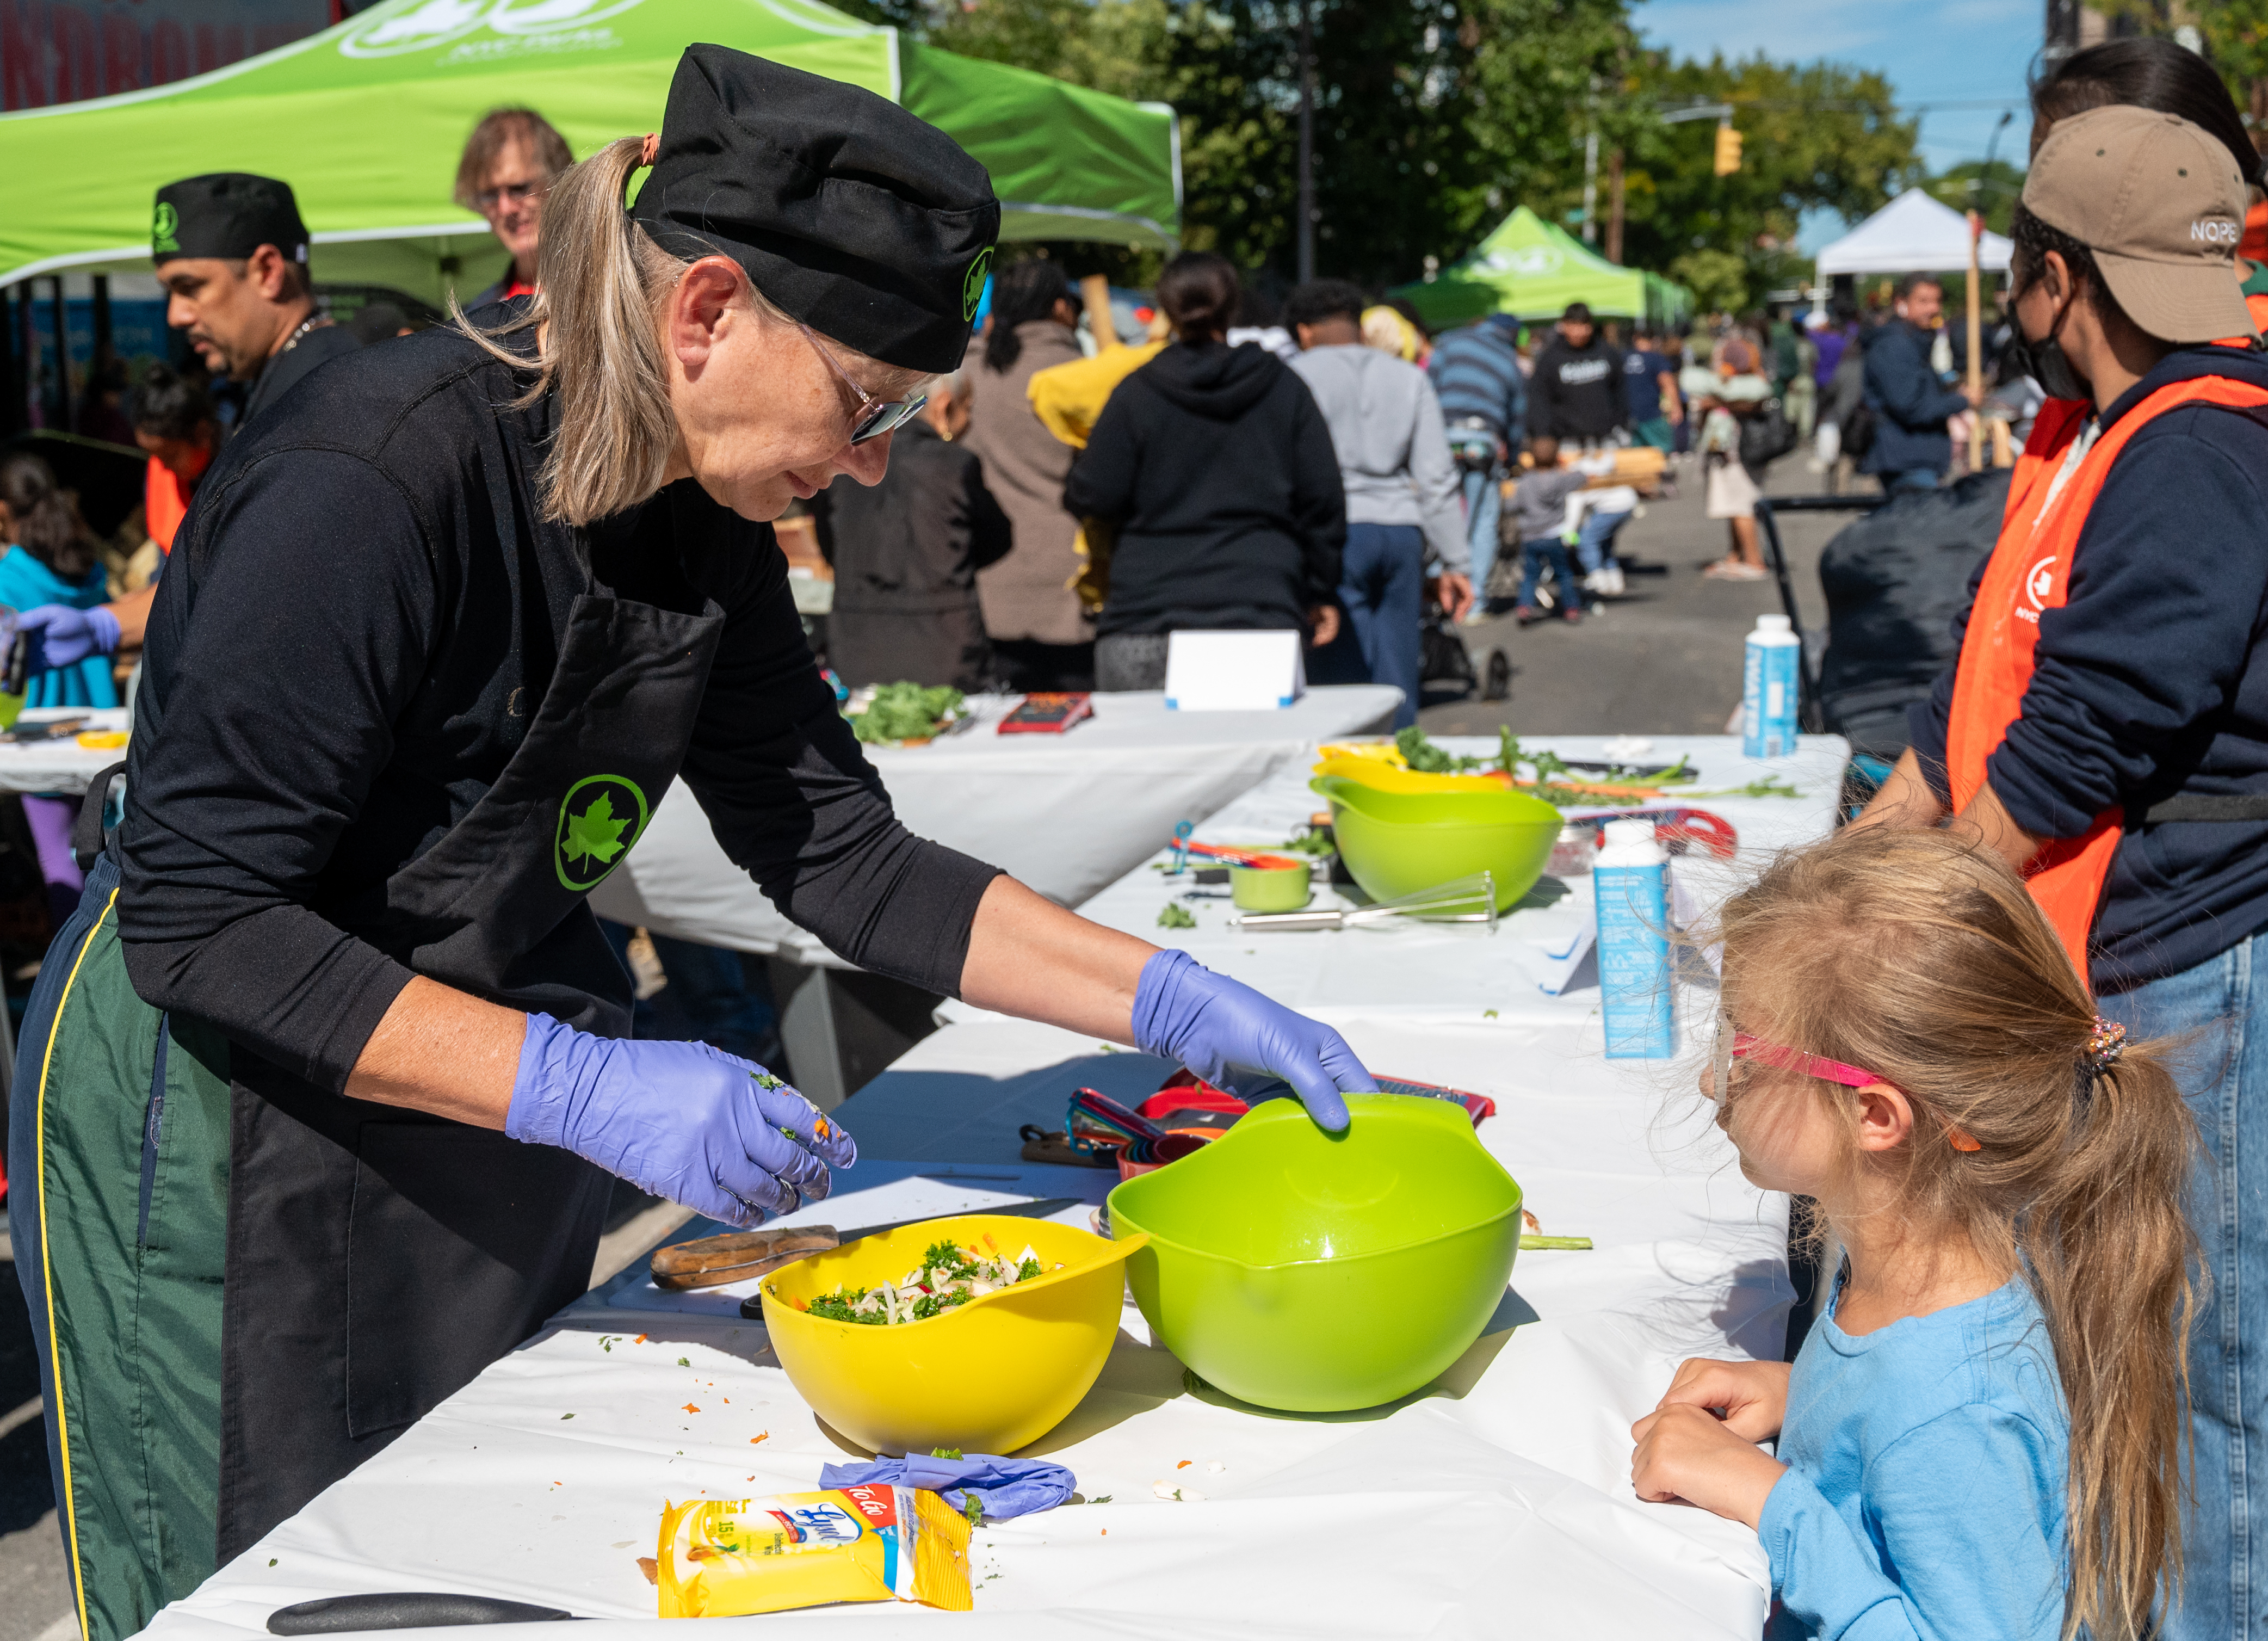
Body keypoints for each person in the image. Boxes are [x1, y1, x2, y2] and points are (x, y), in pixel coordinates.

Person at [9, 51, 1377, 1641]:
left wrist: (1173, 999)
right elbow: (204, 921)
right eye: (865, 408)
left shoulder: (702, 516)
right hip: (214, 1110)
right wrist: (580, 1086)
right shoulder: (380, 470)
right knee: (258, 1583)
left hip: (463, 1071)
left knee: (468, 1535)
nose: (867, 466)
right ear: (707, 311)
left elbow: (842, 857)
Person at [1851, 104, 2268, 1641]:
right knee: (2129, 1361)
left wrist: (1936, 915)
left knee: (2210, 1381)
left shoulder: (2199, 438)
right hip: (2137, 955)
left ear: (2052, 275)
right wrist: (1876, 846)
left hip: (2200, 958)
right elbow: (2001, 670)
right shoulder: (2110, 427)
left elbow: (2099, 718)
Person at [1633, 826, 2197, 1641]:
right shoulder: (1906, 1274)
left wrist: (1774, 1502)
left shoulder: (1954, 1411)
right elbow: (1903, 1444)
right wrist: (1810, 1407)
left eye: (1740, 1048)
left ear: (1874, 1115)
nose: (1708, 1077)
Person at [1061, 252, 1346, 692]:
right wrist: (1320, 588)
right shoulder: (1282, 388)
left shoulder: (1136, 394)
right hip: (1259, 607)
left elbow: (1093, 494)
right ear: (1233, 306)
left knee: (1148, 760)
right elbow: (1323, 498)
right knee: (1259, 759)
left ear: (1166, 310)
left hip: (1147, 613)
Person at [1284, 280, 1466, 727]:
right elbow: (1437, 477)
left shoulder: (1294, 376)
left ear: (1304, 331)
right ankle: (1402, 761)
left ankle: (1352, 777)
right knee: (1398, 670)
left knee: (1343, 679)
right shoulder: (1408, 377)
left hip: (1336, 534)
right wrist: (1455, 561)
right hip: (1401, 532)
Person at [809, 365, 1009, 692]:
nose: (968, 421)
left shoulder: (844, 466)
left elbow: (829, 546)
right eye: (966, 409)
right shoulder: (955, 464)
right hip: (946, 645)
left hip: (857, 642)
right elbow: (998, 538)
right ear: (944, 406)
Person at [0, 455, 119, 930]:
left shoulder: (11, 574)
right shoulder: (83, 560)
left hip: (38, 733)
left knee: (58, 860)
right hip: (99, 730)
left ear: (5, 509)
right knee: (106, 853)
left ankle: (71, 973)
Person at [962, 260, 1092, 691]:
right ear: (1060, 308)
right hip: (1073, 579)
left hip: (989, 581)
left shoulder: (967, 375)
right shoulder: (1084, 375)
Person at [153, 172, 359, 436]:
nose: (175, 317)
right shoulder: (290, 376)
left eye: (190, 287)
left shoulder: (328, 395)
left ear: (267, 272)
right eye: (170, 292)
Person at [1426, 311, 1525, 624]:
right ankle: (1475, 602)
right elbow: (1517, 417)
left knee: (1438, 510)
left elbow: (1428, 387)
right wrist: (1513, 458)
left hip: (1442, 436)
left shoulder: (1449, 342)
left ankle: (1432, 592)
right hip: (1482, 441)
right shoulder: (1509, 361)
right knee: (1483, 519)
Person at [1858, 275, 1977, 493]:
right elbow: (1910, 407)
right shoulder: (1895, 345)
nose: (1933, 309)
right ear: (1901, 303)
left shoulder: (1914, 340)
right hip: (1907, 460)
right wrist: (1961, 401)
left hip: (1918, 458)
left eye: (1937, 301)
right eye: (1923, 301)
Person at [456, 107, 572, 308]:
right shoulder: (480, 314)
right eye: (490, 195)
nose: (505, 208)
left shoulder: (613, 282)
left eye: (519, 188)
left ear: (560, 181)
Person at [127, 361, 217, 562]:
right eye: (155, 457)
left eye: (171, 457)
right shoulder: (160, 467)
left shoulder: (234, 474)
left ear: (202, 434)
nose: (164, 467)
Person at [1503, 434, 1587, 625]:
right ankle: (1572, 608)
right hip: (1553, 534)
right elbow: (1582, 477)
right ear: (1557, 456)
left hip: (1530, 536)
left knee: (1530, 575)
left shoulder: (1524, 483)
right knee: (1564, 573)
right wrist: (1564, 465)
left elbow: (1511, 506)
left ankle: (1524, 606)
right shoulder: (1560, 479)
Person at [1526, 301, 1625, 446]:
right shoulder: (1550, 359)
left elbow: (1621, 391)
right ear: (1564, 326)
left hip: (1607, 438)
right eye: (1574, 326)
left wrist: (1621, 424)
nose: (1580, 332)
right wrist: (1544, 434)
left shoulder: (1607, 353)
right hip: (1566, 441)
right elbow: (1539, 399)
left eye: (1584, 325)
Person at [1621, 326, 1678, 451]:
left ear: (1634, 339)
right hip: (1652, 416)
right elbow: (1667, 384)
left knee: (1635, 460)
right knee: (1661, 455)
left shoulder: (1622, 357)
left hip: (1628, 417)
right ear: (1654, 340)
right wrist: (1676, 408)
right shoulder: (1656, 359)